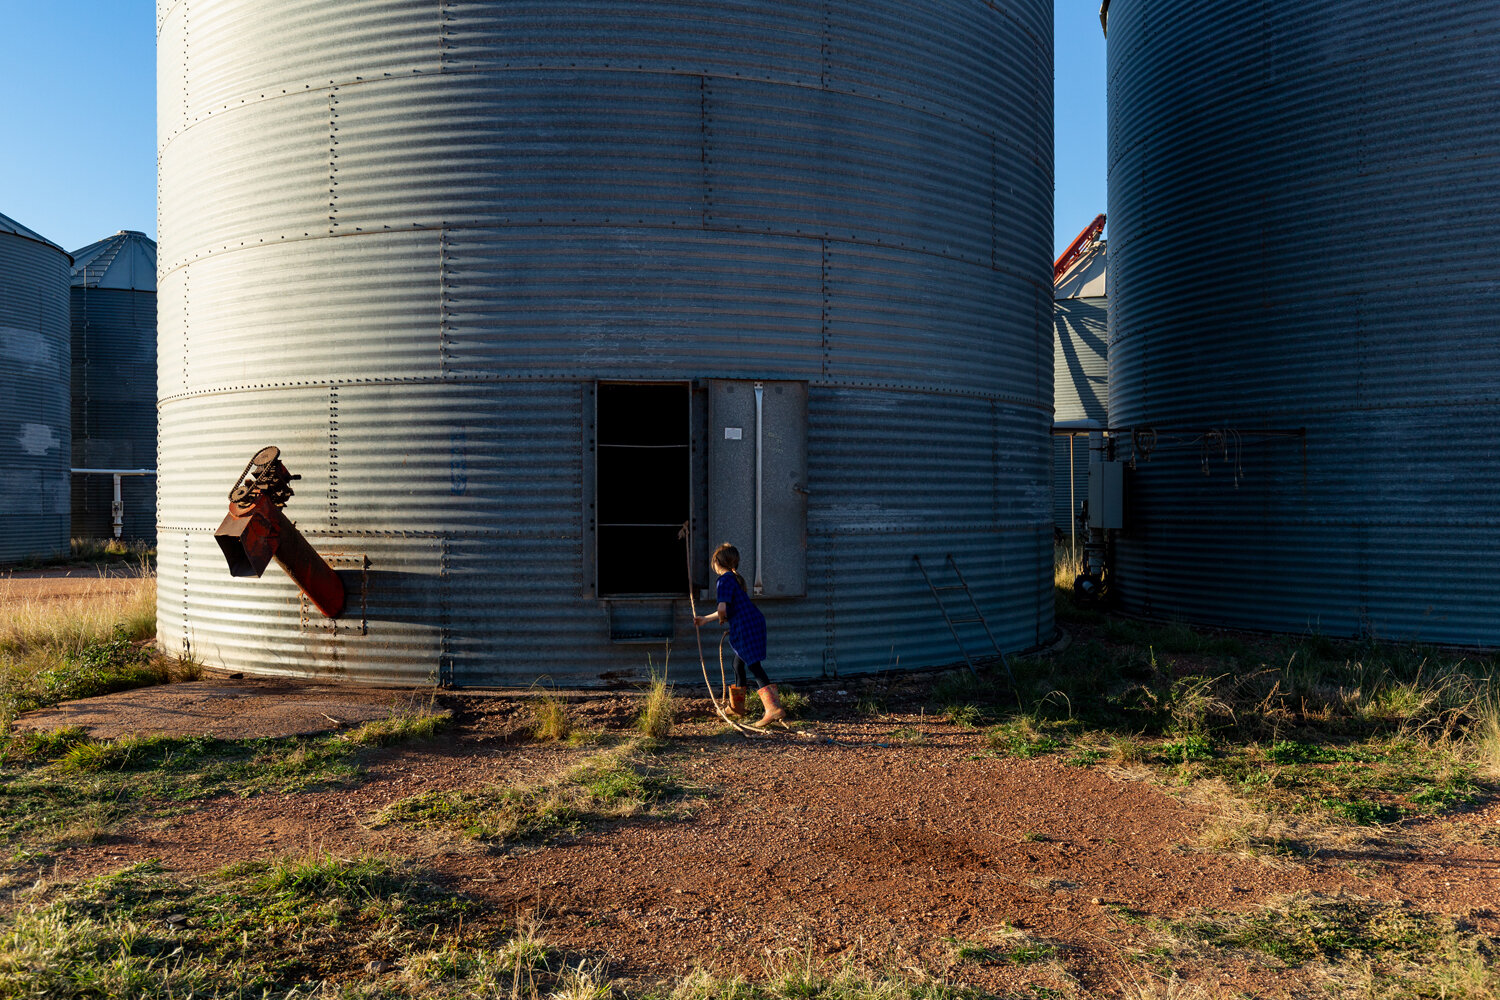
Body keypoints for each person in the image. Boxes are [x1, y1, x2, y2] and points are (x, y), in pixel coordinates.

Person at [694, 542, 785, 727]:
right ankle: (738, 707)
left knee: (753, 665)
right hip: (752, 623)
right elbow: (727, 608)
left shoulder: (724, 580)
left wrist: (720, 618)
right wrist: (705, 619)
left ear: (716, 562)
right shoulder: (734, 579)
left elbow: (722, 608)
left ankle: (773, 709)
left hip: (746, 626)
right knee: (738, 664)